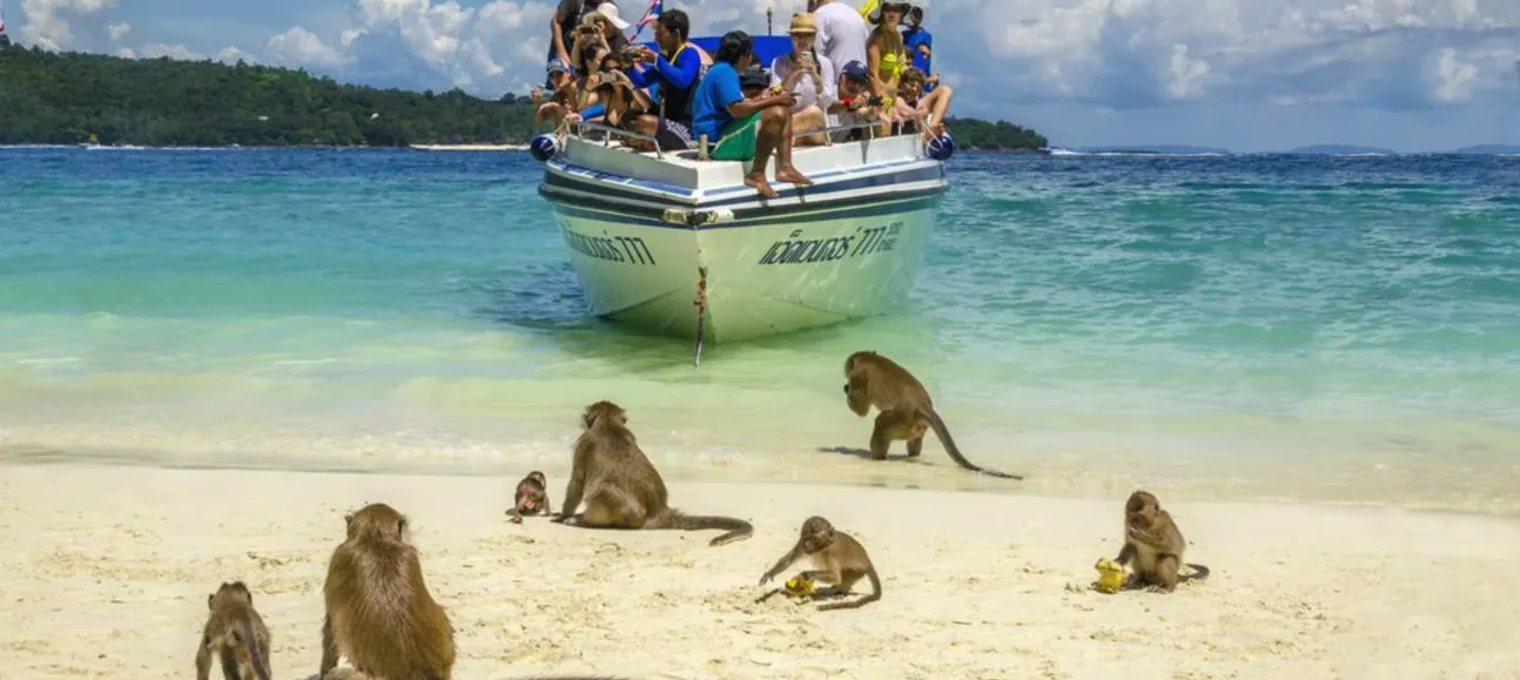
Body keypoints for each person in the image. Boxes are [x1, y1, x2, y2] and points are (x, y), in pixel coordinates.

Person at [690, 30, 813, 197]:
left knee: (783, 107)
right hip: (716, 143)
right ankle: (757, 174)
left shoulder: (720, 70)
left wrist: (765, 98)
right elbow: (738, 110)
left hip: (721, 135)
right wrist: (771, 101)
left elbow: (737, 105)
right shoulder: (725, 72)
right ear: (744, 55)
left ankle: (785, 167)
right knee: (777, 111)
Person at [627, 9, 704, 127]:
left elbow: (683, 80)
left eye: (660, 33)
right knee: (628, 119)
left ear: (676, 34)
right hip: (671, 122)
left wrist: (656, 60)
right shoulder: (665, 60)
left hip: (686, 126)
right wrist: (628, 66)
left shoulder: (689, 54)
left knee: (644, 122)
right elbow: (641, 82)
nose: (655, 39)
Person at [769, 12, 835, 146]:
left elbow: (827, 102)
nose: (803, 40)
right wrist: (793, 73)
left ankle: (779, 135)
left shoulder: (825, 64)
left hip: (815, 130)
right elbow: (775, 97)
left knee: (813, 112)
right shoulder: (779, 63)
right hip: (791, 126)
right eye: (798, 35)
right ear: (791, 37)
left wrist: (816, 78)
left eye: (808, 36)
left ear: (814, 37)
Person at [866, 0, 909, 136]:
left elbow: (900, 69)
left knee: (886, 142)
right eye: (888, 9)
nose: (892, 13)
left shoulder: (898, 37)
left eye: (896, 10)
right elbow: (872, 74)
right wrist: (879, 106)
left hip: (892, 98)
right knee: (878, 143)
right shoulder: (877, 38)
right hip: (878, 100)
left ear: (901, 13)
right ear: (882, 12)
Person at [548, 0, 612, 84]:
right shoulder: (575, 2)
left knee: (594, 82)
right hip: (564, 47)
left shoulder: (610, 6)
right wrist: (562, 52)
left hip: (588, 54)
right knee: (561, 84)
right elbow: (555, 21)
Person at [825, 60, 887, 143]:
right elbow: (828, 107)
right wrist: (849, 103)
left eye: (861, 83)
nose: (856, 86)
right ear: (841, 78)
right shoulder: (829, 91)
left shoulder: (858, 101)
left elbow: (863, 114)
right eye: (852, 79)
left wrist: (873, 110)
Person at [569, 3, 631, 79]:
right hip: (590, 81)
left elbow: (614, 66)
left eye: (604, 20)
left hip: (611, 81)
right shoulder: (592, 41)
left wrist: (603, 41)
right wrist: (577, 44)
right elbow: (576, 64)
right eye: (596, 20)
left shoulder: (620, 41)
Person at [807, 0, 868, 74]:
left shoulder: (819, 15)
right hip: (860, 80)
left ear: (813, 1)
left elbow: (814, 54)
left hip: (835, 82)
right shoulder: (856, 15)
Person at [892, 66, 953, 139]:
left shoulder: (916, 101)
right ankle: (929, 132)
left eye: (918, 88)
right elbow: (904, 109)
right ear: (902, 84)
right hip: (899, 127)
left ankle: (931, 128)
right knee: (914, 111)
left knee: (945, 90)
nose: (914, 89)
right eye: (911, 85)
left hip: (915, 113)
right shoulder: (896, 97)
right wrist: (918, 115)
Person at [901, 5, 937, 92]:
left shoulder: (926, 36)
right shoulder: (903, 35)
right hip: (905, 71)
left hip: (919, 74)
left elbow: (924, 59)